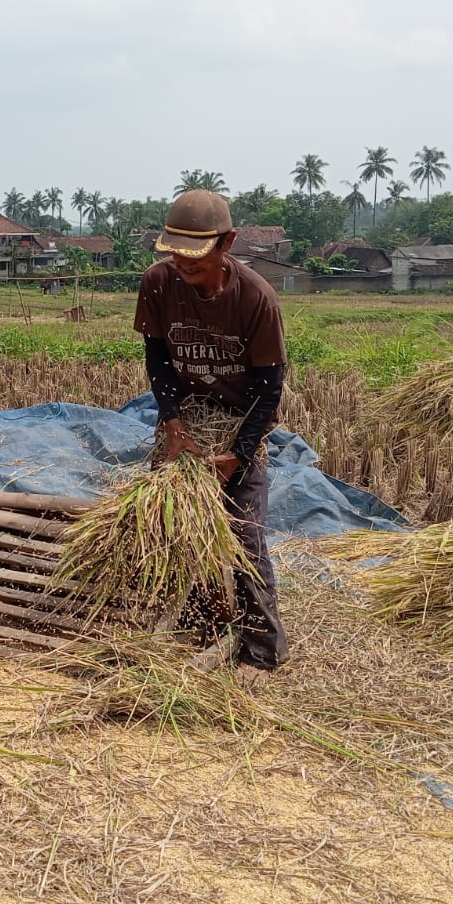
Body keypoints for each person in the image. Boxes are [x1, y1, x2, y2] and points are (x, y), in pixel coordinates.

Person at [133, 189, 288, 676]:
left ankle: (263, 650)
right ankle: (201, 625)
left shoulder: (256, 297)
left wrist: (239, 455)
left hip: (239, 425)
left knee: (244, 536)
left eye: (195, 257)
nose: (182, 264)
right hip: (185, 425)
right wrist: (172, 418)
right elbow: (157, 356)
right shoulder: (158, 283)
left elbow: (270, 388)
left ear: (228, 242)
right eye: (176, 253)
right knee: (175, 530)